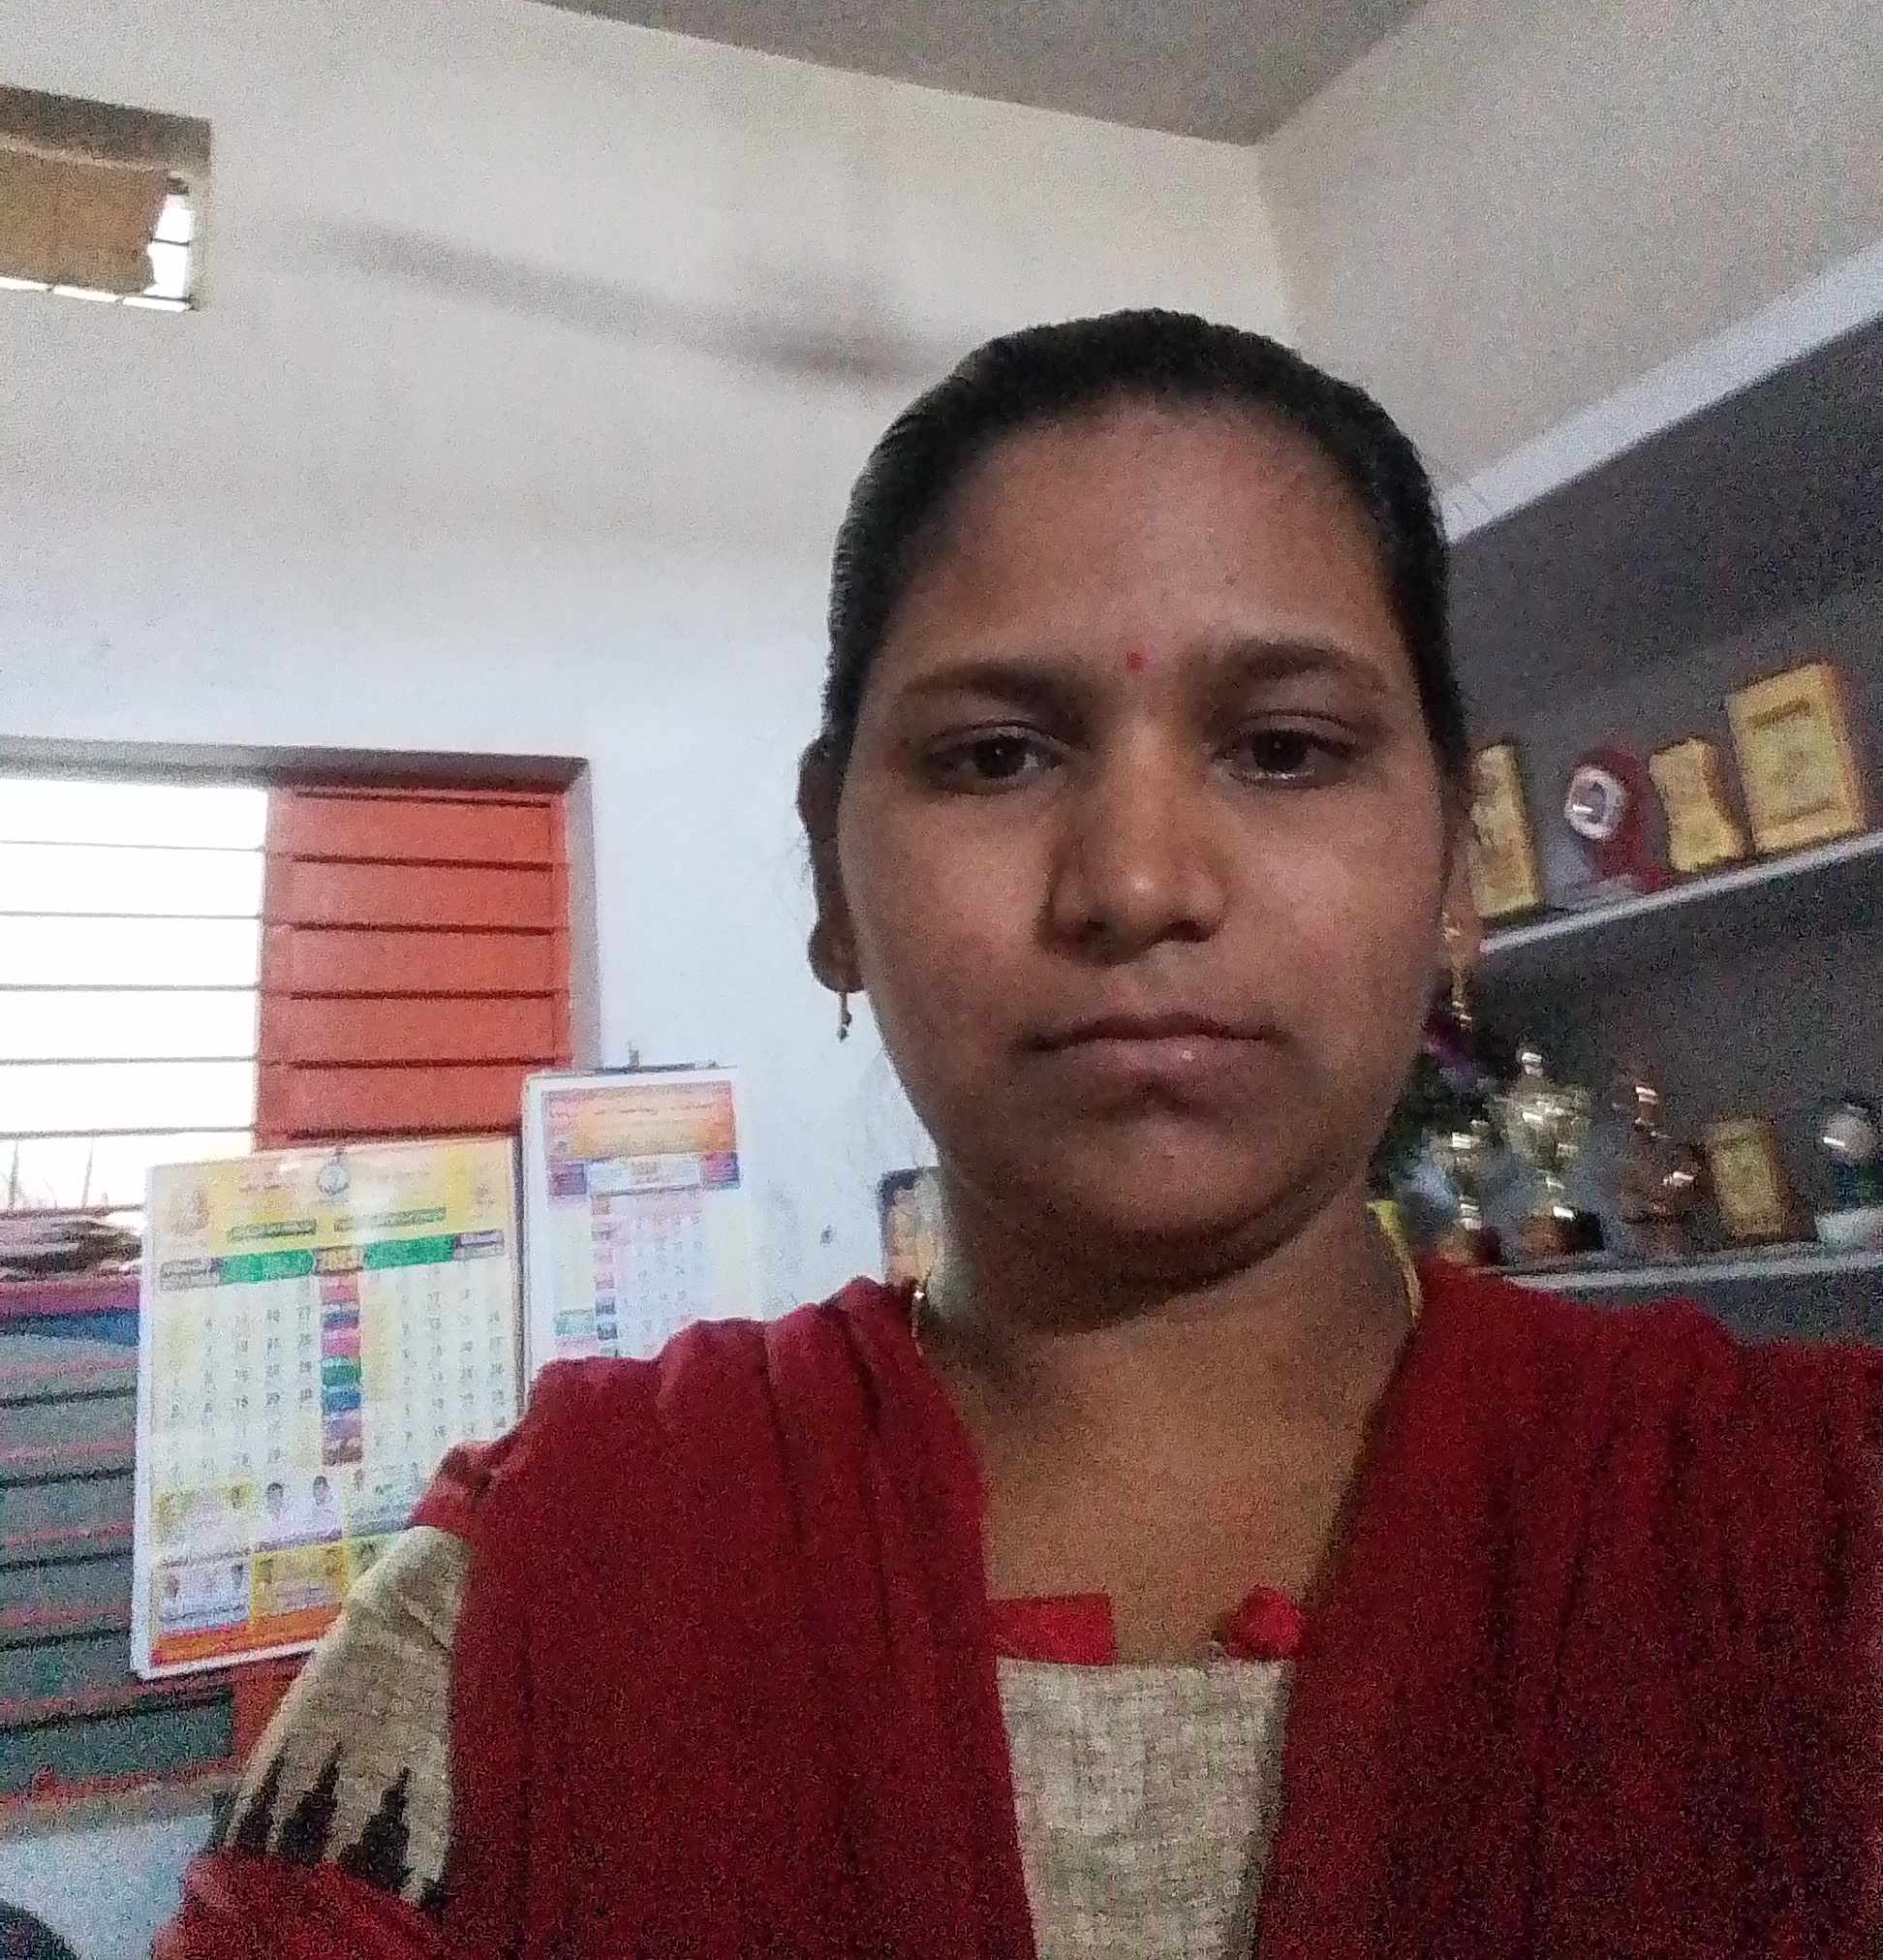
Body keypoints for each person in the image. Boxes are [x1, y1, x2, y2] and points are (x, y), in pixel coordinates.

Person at [158, 311, 1880, 1959]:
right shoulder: (529, 1602)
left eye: (1286, 749)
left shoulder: (1816, 1542)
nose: (1137, 882)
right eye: (994, 758)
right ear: (834, 877)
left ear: (1453, 863)